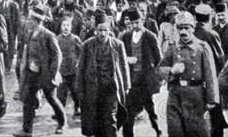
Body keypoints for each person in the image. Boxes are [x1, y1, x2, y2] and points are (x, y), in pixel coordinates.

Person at [157, 11, 219, 137]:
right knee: (176, 131)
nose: (183, 31)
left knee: (196, 132)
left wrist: (211, 99)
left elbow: (210, 74)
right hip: (175, 96)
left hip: (196, 96)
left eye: (187, 28)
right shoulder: (172, 47)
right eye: (180, 28)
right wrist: (171, 71)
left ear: (193, 28)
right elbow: (160, 69)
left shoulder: (202, 47)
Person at [75, 12, 130, 137]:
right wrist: (79, 88)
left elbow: (124, 66)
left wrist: (126, 86)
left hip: (111, 88)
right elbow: (81, 69)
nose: (102, 33)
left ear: (109, 30)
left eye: (105, 30)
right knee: (96, 120)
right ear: (95, 30)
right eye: (99, 30)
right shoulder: (87, 45)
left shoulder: (118, 45)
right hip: (93, 88)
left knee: (110, 120)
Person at [14, 5, 65, 136]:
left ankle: (62, 123)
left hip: (46, 75)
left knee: (52, 99)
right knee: (28, 100)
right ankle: (27, 130)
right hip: (32, 74)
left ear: (37, 20)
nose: (27, 21)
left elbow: (57, 56)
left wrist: (51, 75)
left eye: (30, 19)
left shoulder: (48, 35)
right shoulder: (30, 33)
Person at [120, 9, 162, 137]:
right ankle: (128, 134)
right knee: (129, 108)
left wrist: (157, 77)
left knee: (149, 105)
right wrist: (127, 59)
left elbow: (159, 58)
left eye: (138, 22)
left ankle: (157, 129)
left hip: (146, 78)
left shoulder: (150, 36)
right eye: (133, 23)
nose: (135, 25)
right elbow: (120, 56)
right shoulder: (125, 36)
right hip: (131, 78)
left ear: (142, 21)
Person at [194, 4, 227, 137]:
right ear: (209, 18)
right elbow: (220, 60)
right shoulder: (211, 34)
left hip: (194, 83)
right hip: (210, 81)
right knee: (216, 118)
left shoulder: (189, 34)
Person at [56, 16, 82, 118]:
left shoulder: (75, 38)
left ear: (71, 27)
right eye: (64, 25)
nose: (66, 27)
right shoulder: (57, 39)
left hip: (73, 69)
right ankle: (60, 111)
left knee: (75, 90)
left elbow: (81, 52)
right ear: (61, 27)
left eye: (68, 25)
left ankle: (77, 107)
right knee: (61, 92)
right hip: (61, 69)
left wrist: (78, 63)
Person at [0, 0, 21, 72]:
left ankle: (9, 66)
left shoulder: (14, 5)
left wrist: (16, 31)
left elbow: (18, 19)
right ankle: (4, 64)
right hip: (2, 30)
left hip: (11, 30)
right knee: (3, 46)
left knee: (10, 47)